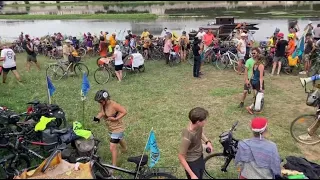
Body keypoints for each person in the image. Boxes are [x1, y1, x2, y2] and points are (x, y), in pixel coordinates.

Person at [93, 90, 127, 168]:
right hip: (110, 128)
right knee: (119, 139)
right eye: (99, 102)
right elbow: (102, 112)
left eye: (101, 101)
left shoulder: (114, 105)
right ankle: (125, 148)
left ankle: (113, 166)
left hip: (118, 128)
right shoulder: (102, 104)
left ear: (106, 99)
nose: (100, 103)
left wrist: (115, 119)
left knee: (112, 147)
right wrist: (97, 118)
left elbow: (124, 111)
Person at [178, 107, 213, 179]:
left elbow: (200, 133)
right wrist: (192, 175)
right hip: (192, 163)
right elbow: (181, 156)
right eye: (204, 120)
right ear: (198, 122)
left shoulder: (198, 126)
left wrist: (207, 141)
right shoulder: (187, 137)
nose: (206, 121)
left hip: (200, 156)